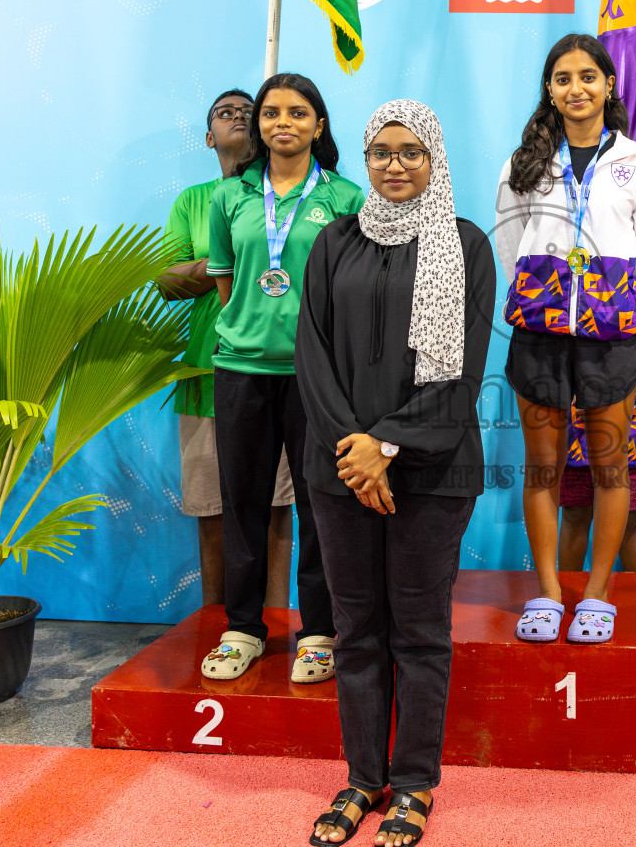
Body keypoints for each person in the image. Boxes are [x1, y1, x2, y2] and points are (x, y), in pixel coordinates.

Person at [298, 101, 494, 847]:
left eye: (412, 151)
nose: (395, 164)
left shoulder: (465, 244)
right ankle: (360, 777)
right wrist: (354, 448)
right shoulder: (334, 241)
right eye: (381, 151)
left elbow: (463, 369)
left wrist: (387, 443)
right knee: (355, 632)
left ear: (435, 158)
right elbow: (311, 354)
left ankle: (412, 784)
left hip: (432, 470)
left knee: (417, 632)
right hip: (338, 467)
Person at [495, 33, 636, 645]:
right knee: (542, 470)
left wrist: (606, 300)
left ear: (609, 85)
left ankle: (597, 595)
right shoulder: (523, 164)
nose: (576, 88)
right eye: (563, 77)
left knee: (610, 469)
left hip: (611, 336)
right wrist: (545, 295)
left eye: (588, 76)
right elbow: (508, 245)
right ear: (550, 89)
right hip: (540, 333)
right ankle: (547, 591)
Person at [199, 73, 366, 683]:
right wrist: (253, 325)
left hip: (317, 377)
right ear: (259, 125)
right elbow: (228, 286)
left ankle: (319, 630)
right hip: (241, 369)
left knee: (323, 506)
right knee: (242, 503)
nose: (282, 123)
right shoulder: (231, 197)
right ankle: (242, 628)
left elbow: (357, 294)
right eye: (271, 113)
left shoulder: (347, 199)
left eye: (298, 113)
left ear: (319, 125)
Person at [157, 89, 297, 612]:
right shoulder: (193, 201)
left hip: (277, 373)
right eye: (225, 112)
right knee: (214, 511)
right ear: (209, 137)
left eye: (248, 110)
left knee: (278, 508)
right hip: (206, 376)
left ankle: (278, 620)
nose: (238, 116)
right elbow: (167, 279)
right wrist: (221, 259)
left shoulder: (291, 196)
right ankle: (221, 626)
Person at [557, 257, 636, 574]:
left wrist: (625, 396)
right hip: (574, 409)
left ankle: (634, 610)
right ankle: (565, 600)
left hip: (632, 414)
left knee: (628, 515)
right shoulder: (572, 260)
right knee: (574, 510)